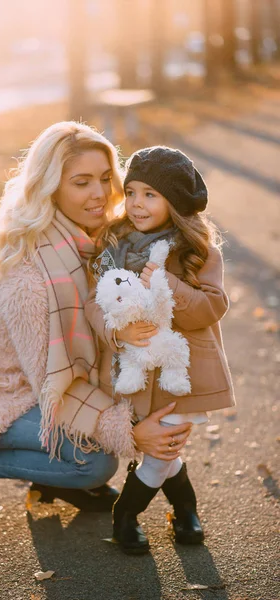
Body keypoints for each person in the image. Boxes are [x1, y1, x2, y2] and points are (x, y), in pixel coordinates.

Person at [0, 124, 193, 537]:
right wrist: (131, 433)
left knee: (97, 440)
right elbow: (56, 384)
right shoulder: (30, 276)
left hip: (37, 385)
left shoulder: (98, 241)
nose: (100, 194)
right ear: (51, 188)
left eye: (106, 178)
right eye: (81, 182)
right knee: (95, 462)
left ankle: (51, 472)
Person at [85, 146, 235, 554]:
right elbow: (92, 304)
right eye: (131, 192)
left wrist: (167, 284)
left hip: (180, 372)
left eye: (150, 194)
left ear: (176, 202)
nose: (136, 203)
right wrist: (118, 334)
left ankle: (125, 516)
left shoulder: (200, 251)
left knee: (162, 447)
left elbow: (212, 307)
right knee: (165, 448)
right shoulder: (113, 246)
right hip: (132, 371)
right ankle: (185, 509)